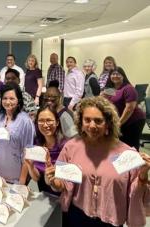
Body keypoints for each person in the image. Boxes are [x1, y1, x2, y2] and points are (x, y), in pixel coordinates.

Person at [45, 96, 150, 227]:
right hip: (76, 215)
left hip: (109, 221)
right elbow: (62, 185)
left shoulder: (126, 155)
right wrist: (53, 180)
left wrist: (143, 175)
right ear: (80, 123)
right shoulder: (71, 147)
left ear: (108, 124)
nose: (92, 125)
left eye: (98, 121)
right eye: (87, 120)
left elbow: (135, 194)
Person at [0, 83, 35, 184]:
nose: (7, 101)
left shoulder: (25, 121)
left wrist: (21, 182)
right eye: (4, 98)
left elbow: (28, 154)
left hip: (17, 178)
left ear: (18, 100)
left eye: (12, 98)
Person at [25, 105, 66, 195]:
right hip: (44, 195)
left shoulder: (65, 146)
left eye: (49, 120)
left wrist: (51, 177)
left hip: (61, 195)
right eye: (41, 121)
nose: (45, 124)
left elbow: (65, 182)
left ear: (57, 122)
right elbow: (36, 178)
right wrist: (30, 166)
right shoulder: (37, 143)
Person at [104, 66, 146, 150]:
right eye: (113, 74)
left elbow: (129, 108)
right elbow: (103, 98)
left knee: (131, 145)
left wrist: (119, 123)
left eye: (118, 74)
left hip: (134, 120)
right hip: (123, 120)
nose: (115, 76)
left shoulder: (128, 88)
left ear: (123, 76)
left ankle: (136, 162)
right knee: (121, 144)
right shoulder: (112, 89)